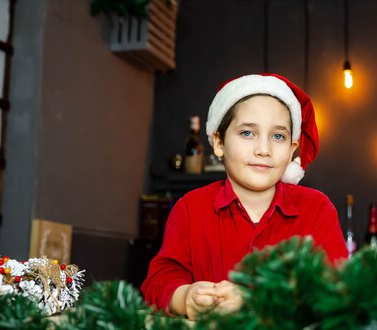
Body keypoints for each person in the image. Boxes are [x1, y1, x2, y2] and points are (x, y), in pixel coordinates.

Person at [141, 73, 348, 320]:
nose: (263, 150)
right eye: (248, 133)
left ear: (293, 148)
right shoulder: (190, 208)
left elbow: (337, 293)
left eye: (278, 136)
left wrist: (256, 300)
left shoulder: (317, 210)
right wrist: (185, 298)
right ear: (218, 142)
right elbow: (160, 280)